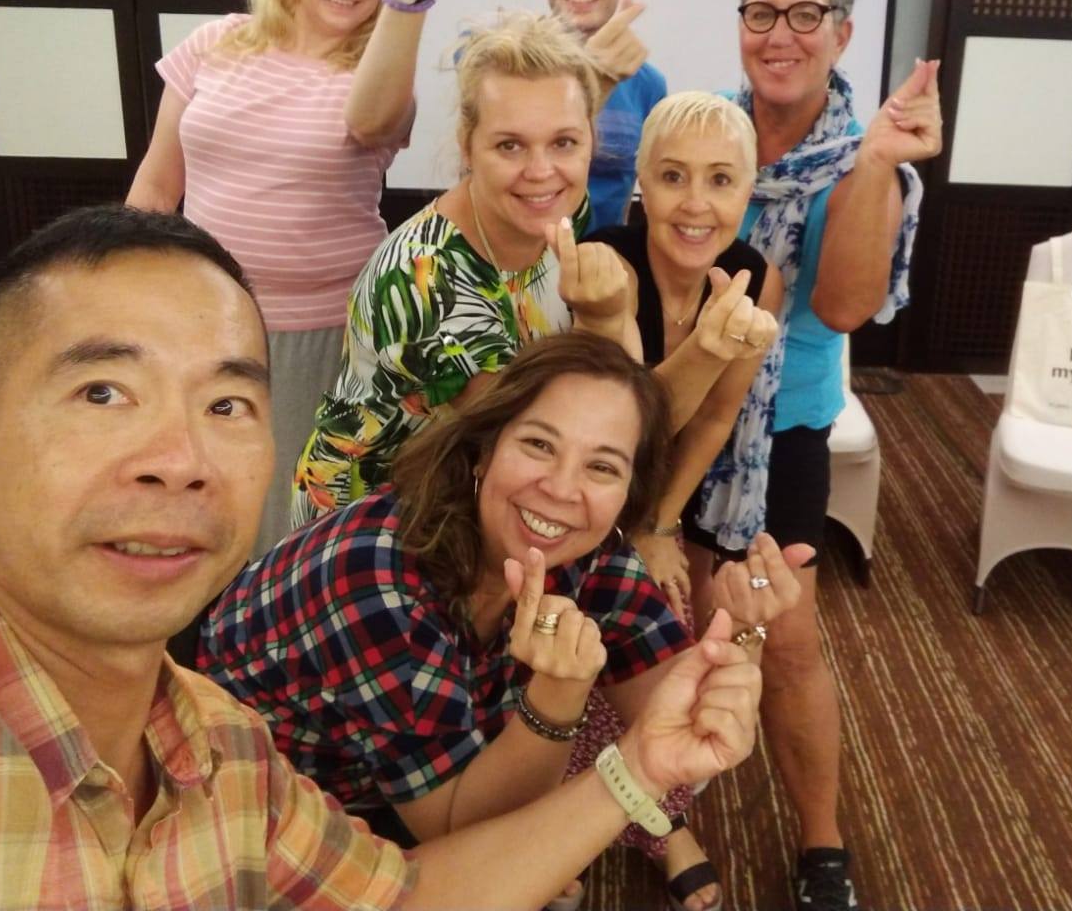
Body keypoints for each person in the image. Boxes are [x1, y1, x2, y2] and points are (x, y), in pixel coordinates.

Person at [0, 206, 765, 911]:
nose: (179, 460)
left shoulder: (232, 762)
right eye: (103, 392)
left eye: (226, 405)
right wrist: (560, 704)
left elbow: (405, 895)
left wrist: (660, 746)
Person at [197, 332, 808, 907]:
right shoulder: (375, 589)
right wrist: (559, 694)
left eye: (602, 467)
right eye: (539, 444)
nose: (562, 489)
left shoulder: (591, 550)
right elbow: (467, 835)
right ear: (483, 451)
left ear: (629, 491)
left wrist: (739, 631)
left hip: (402, 761)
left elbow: (688, 720)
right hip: (258, 809)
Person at [291, 10, 773, 527]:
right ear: (468, 146)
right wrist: (691, 346)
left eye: (564, 142)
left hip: (468, 503)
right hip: (374, 525)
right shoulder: (428, 280)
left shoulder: (556, 214)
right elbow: (583, 440)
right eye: (510, 145)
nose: (541, 172)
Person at [127, 0, 483, 559]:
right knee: (194, 485)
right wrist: (122, 295)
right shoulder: (215, 43)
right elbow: (157, 183)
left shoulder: (379, 69)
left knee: (288, 516)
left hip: (319, 332)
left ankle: (270, 624)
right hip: (201, 316)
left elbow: (372, 120)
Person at [709, 0, 944, 911]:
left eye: (805, 15)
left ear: (842, 33)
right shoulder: (706, 133)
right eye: (761, 13)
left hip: (780, 432)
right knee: (656, 617)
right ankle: (647, 814)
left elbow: (845, 306)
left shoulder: (869, 163)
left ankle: (822, 844)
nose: (780, 35)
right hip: (679, 407)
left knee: (787, 637)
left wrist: (875, 163)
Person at [585, 91, 785, 911]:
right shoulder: (606, 265)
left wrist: (660, 524)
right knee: (580, 653)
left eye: (720, 179)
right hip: (579, 485)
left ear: (748, 190)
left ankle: (660, 824)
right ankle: (570, 822)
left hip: (664, 497)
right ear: (641, 181)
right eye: (673, 177)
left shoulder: (755, 275)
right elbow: (616, 426)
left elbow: (712, 420)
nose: (695, 203)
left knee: (674, 653)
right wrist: (634, 531)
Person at [539, 0, 667, 232]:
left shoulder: (648, 85)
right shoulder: (503, 68)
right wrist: (593, 81)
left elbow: (637, 196)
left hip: (607, 261)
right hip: (519, 262)